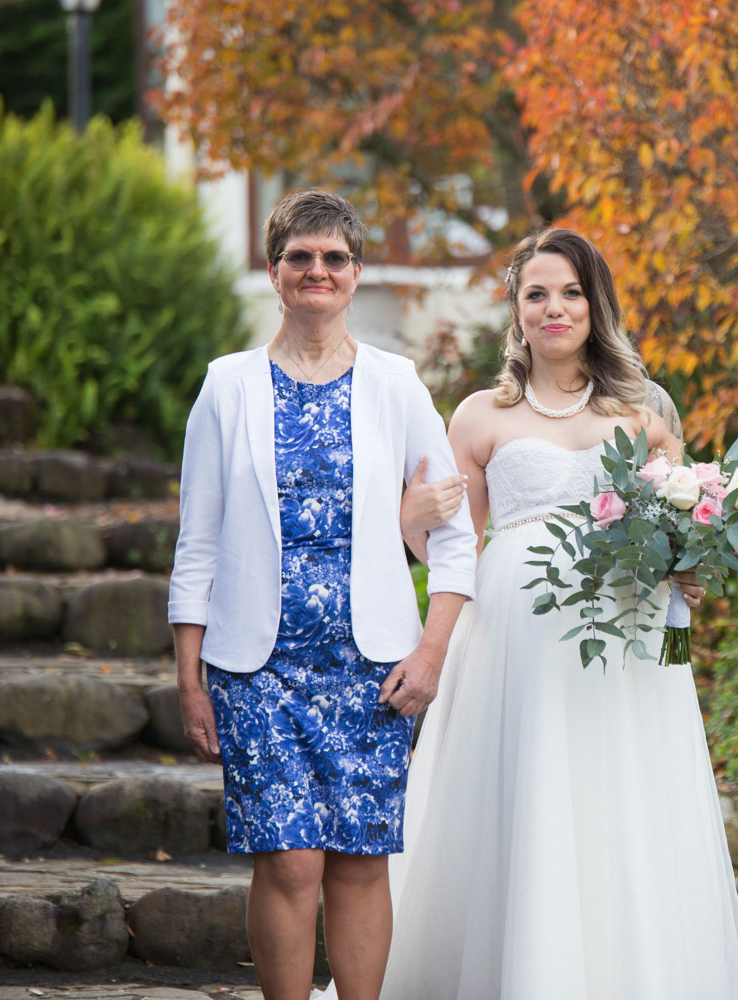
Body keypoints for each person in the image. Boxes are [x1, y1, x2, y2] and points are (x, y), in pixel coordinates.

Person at [378, 228, 738, 999]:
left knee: (621, 799)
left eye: (572, 292)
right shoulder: (481, 415)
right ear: (516, 312)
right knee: (526, 803)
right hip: (514, 643)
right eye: (537, 294)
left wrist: (690, 567)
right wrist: (409, 517)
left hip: (625, 644)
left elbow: (684, 548)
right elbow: (451, 551)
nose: (555, 308)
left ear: (595, 303)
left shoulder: (644, 416)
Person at [168, 188, 478, 1000]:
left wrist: (432, 651)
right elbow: (196, 540)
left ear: (355, 273)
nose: (317, 271)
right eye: (299, 257)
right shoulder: (226, 387)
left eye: (333, 258)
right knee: (290, 858)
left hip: (371, 663)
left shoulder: (397, 384)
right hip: (255, 662)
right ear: (274, 273)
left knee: (358, 861)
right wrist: (188, 677)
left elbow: (454, 539)